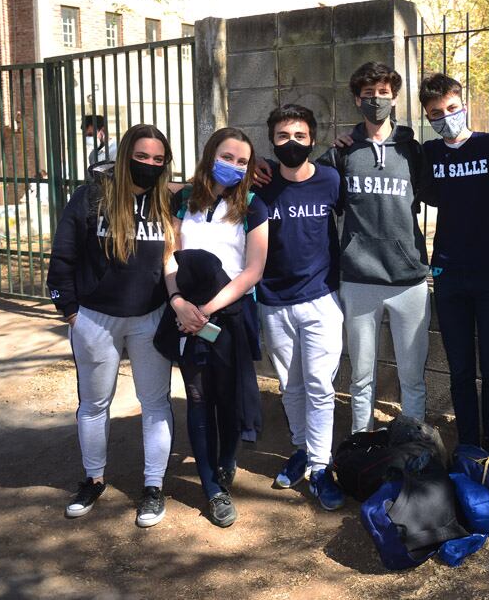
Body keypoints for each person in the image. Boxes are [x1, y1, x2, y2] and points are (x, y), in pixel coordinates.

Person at [46, 124, 177, 528]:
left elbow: (218, 181)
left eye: (158, 160)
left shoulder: (167, 201)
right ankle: (93, 479)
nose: (149, 166)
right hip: (95, 320)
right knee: (94, 404)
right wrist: (70, 311)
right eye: (141, 157)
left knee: (155, 404)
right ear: (125, 157)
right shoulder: (92, 198)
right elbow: (63, 257)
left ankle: (153, 488)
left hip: (149, 319)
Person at [162, 127, 269, 528]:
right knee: (198, 398)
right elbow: (169, 254)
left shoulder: (254, 205)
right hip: (186, 315)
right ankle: (212, 486)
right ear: (210, 156)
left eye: (243, 162)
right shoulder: (183, 200)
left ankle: (227, 461)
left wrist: (205, 309)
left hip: (229, 316)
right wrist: (178, 301)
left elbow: (254, 270)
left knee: (229, 398)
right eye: (227, 157)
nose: (235, 167)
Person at [317, 62, 430, 434]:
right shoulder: (343, 153)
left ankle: (415, 448)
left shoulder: (412, 150)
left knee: (412, 377)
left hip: (408, 279)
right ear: (356, 99)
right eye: (369, 95)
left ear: (394, 98)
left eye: (383, 94)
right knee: (361, 377)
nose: (376, 101)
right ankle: (361, 445)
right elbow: (303, 180)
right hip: (360, 278)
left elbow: (445, 190)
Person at [417, 73, 489, 454]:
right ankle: (469, 444)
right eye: (436, 113)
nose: (446, 117)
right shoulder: (429, 154)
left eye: (452, 108)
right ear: (428, 116)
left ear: (464, 104)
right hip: (447, 273)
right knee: (460, 369)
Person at [257, 104, 346, 511]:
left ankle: (322, 466)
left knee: (319, 386)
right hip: (273, 302)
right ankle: (302, 450)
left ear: (313, 139)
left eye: (299, 136)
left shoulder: (330, 180)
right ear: (271, 141)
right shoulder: (259, 184)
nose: (291, 143)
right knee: (290, 387)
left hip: (321, 300)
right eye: (282, 137)